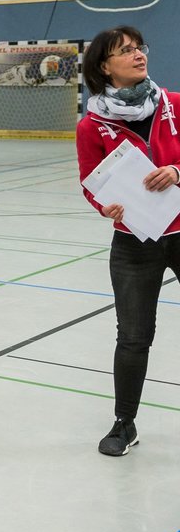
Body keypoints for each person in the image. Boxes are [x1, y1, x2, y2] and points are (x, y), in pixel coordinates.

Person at [75, 27, 180, 457]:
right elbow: (91, 182)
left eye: (140, 48)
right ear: (105, 66)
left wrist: (177, 172)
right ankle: (124, 423)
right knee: (134, 336)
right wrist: (105, 207)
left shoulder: (174, 104)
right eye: (127, 51)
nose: (139, 55)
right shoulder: (91, 125)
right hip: (134, 244)